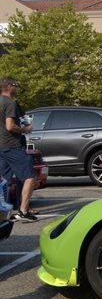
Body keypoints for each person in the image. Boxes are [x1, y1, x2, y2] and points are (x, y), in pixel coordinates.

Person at [0, 77, 37, 221]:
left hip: (1, 146)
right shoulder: (10, 103)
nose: (17, 88)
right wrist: (25, 130)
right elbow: (10, 126)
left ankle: (4, 212)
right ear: (9, 86)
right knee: (30, 176)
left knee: (4, 180)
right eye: (15, 85)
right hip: (12, 145)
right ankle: (23, 211)